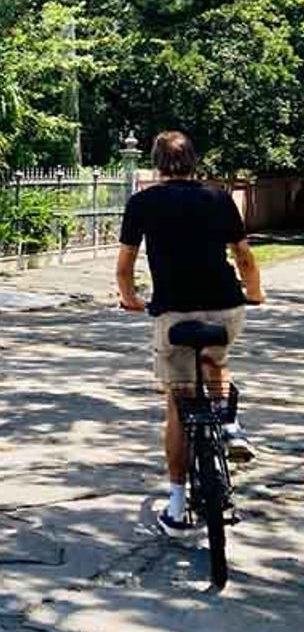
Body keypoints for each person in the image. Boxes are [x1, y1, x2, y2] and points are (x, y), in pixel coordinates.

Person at [116, 131, 264, 538]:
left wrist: (131, 299)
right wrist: (254, 292)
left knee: (178, 404)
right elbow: (244, 257)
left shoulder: (142, 203)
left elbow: (124, 267)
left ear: (156, 163)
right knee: (215, 358)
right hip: (224, 306)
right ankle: (230, 426)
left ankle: (178, 507)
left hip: (174, 312)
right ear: (194, 161)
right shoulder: (218, 198)